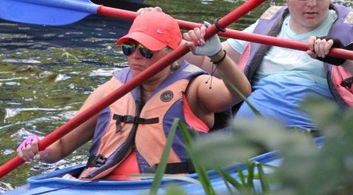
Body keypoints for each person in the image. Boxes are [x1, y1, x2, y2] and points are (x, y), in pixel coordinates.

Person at [16, 10, 251, 181]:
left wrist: (217, 55)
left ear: (174, 53)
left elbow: (240, 91)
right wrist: (39, 148)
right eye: (129, 48)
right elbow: (59, 148)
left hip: (165, 191)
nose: (135, 56)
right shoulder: (111, 89)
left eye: (147, 50)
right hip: (97, 188)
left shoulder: (195, 88)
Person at [183, 0, 353, 132]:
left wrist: (345, 59)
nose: (312, 3)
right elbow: (205, 64)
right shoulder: (267, 25)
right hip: (248, 137)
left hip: (313, 141)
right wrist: (193, 44)